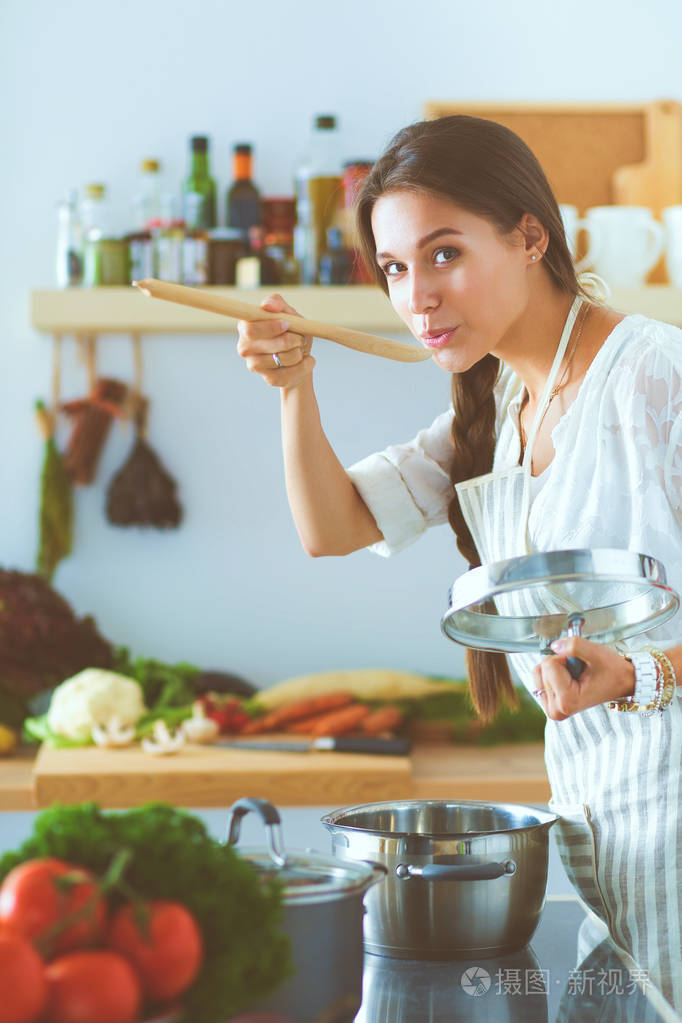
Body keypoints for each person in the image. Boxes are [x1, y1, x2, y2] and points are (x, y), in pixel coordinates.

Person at [236, 115, 682, 1009]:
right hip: (609, 865)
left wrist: (639, 672)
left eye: (444, 254)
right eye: (396, 268)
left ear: (530, 235)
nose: (419, 298)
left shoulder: (654, 376)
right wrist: (294, 388)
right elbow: (332, 526)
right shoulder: (496, 405)